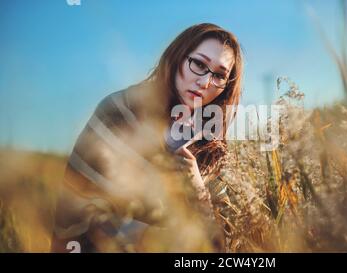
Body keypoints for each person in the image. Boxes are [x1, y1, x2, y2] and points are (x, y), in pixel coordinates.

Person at [51, 23, 243, 252]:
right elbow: (76, 207)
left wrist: (198, 189)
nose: (205, 82)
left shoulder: (212, 145)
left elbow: (222, 245)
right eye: (199, 64)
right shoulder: (121, 111)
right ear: (177, 58)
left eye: (220, 75)